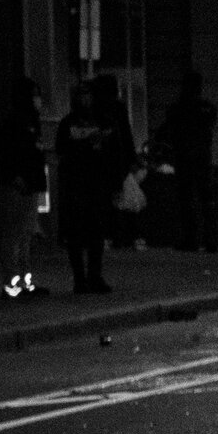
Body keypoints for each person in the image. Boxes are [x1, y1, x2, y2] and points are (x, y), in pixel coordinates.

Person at [52, 77, 134, 294]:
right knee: (76, 233)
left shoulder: (104, 120)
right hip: (75, 183)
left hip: (97, 182)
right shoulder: (68, 123)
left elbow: (116, 150)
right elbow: (61, 149)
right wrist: (84, 144)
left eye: (87, 94)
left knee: (96, 231)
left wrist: (116, 179)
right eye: (80, 94)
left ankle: (95, 276)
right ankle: (80, 278)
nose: (84, 99)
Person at [0, 76, 48, 299]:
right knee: (14, 235)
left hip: (28, 185)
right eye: (34, 95)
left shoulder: (30, 121)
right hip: (18, 186)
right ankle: (12, 283)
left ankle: (24, 281)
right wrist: (16, 177)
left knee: (25, 236)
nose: (38, 100)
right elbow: (6, 156)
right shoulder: (14, 123)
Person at [157, 71, 218, 252]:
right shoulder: (207, 108)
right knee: (206, 199)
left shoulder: (178, 108)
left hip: (184, 157)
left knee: (187, 199)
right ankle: (210, 239)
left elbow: (169, 130)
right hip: (203, 156)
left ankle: (191, 239)